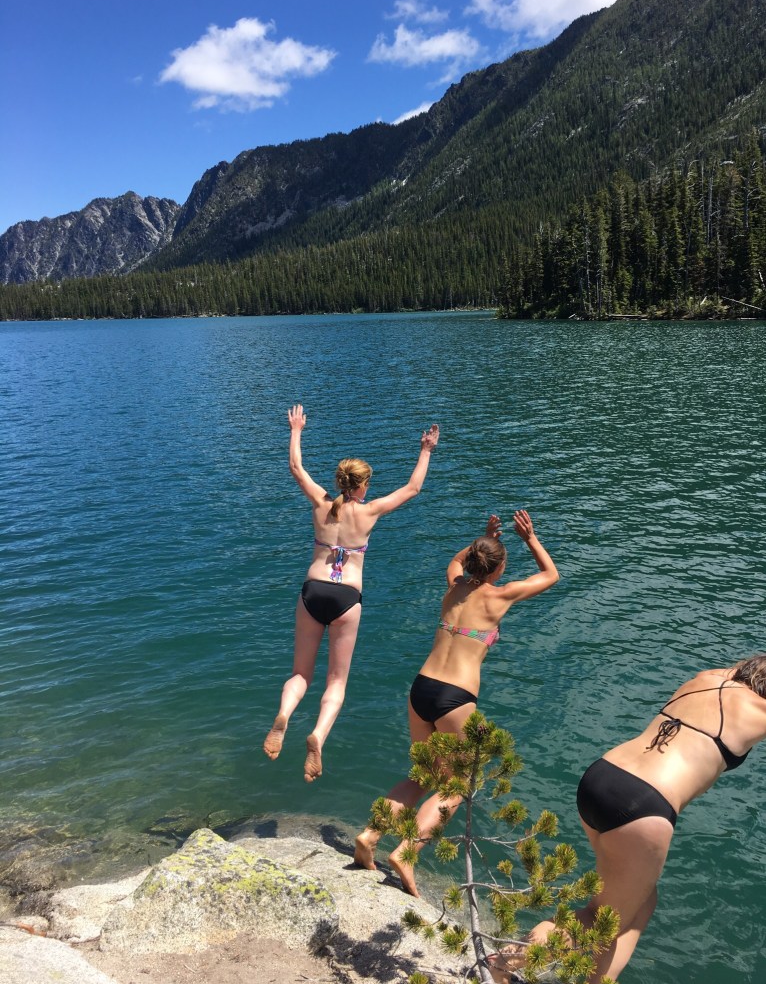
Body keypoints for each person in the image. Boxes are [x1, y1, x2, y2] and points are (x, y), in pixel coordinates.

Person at [489, 655, 766, 984]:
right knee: (600, 918)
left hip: (601, 778)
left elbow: (735, 671)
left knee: (641, 903)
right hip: (645, 805)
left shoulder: (704, 679)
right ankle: (500, 964)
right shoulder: (758, 712)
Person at [354, 509, 559, 896]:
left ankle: (369, 835)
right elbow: (551, 575)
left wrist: (482, 540)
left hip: (421, 689)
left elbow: (455, 560)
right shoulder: (499, 597)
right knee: (456, 786)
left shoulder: (453, 587)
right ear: (497, 570)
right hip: (455, 698)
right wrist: (529, 538)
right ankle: (406, 853)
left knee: (421, 775)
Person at [263, 404, 439, 783]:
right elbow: (413, 488)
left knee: (300, 674)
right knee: (336, 682)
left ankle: (284, 715)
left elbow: (296, 468)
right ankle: (318, 737)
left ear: (340, 481)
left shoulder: (322, 503)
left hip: (313, 590)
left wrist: (296, 429)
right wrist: (425, 450)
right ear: (362, 485)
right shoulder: (370, 511)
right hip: (347, 598)